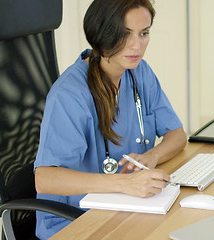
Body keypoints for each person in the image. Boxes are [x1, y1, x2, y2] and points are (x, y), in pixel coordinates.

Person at [33, 0, 187, 238]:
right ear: (103, 35)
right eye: (125, 35)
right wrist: (127, 184)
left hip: (126, 206)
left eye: (144, 33)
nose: (137, 45)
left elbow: (177, 134)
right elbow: (45, 179)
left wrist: (151, 156)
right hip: (74, 219)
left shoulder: (140, 72)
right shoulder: (70, 94)